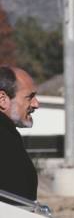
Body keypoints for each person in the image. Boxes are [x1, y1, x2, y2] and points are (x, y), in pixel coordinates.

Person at [0, 66, 39, 201]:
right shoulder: (4, 139)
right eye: (30, 97)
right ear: (2, 99)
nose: (36, 104)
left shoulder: (8, 133)